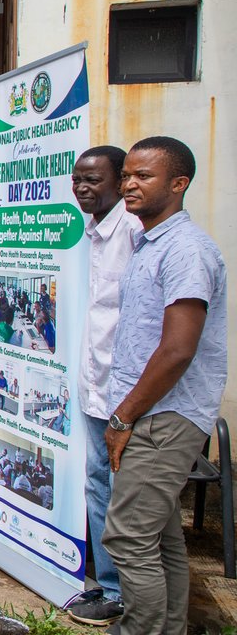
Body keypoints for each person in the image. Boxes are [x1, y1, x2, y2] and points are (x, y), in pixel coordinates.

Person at [101, 137, 227, 635]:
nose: (129, 184)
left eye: (143, 176)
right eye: (127, 174)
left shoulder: (186, 250)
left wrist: (124, 415)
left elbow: (178, 349)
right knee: (161, 538)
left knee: (129, 538)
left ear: (179, 184)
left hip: (163, 417)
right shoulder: (150, 242)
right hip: (149, 411)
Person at [69, 143, 140, 626]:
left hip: (130, 395)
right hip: (95, 385)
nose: (83, 187)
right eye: (78, 179)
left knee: (126, 491)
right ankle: (110, 587)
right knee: (99, 484)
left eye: (94, 179)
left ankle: (131, 595)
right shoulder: (92, 232)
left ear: (120, 182)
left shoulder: (135, 233)